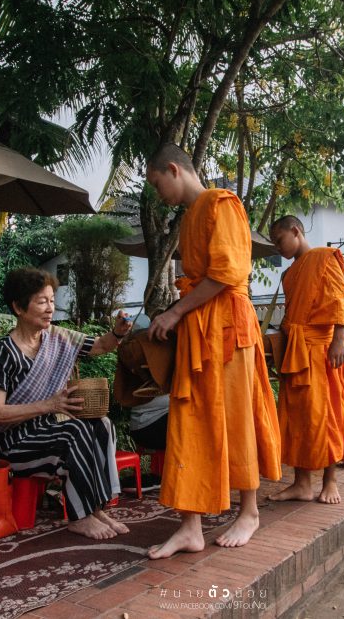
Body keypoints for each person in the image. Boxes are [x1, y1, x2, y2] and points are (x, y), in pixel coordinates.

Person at [145, 143, 282, 558]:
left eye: (157, 183)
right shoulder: (190, 217)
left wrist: (173, 313)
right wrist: (178, 315)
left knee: (237, 415)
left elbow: (226, 274)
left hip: (228, 328)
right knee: (191, 420)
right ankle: (191, 525)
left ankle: (250, 511)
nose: (157, 193)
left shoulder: (223, 203)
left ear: (174, 169)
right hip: (199, 326)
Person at [0, 267, 133, 540]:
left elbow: (99, 346)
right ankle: (79, 516)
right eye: (41, 301)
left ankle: (96, 508)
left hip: (48, 431)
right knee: (74, 431)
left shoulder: (57, 338)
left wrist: (118, 333)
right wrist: (48, 405)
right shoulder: (4, 351)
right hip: (16, 443)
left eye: (52, 300)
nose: (50, 308)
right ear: (18, 307)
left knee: (101, 424)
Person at [267, 215, 344, 505]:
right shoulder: (289, 274)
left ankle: (330, 480)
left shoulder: (324, 257)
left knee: (326, 416)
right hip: (297, 351)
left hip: (323, 350)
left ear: (296, 231)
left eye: (279, 240)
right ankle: (301, 483)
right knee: (298, 419)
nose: (277, 248)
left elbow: (339, 299)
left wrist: (337, 341)